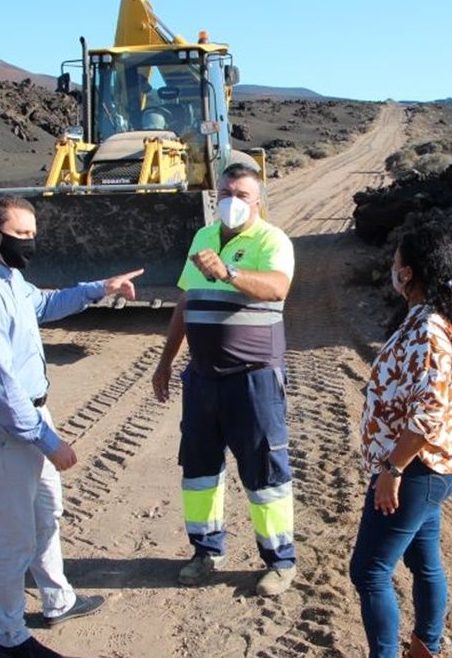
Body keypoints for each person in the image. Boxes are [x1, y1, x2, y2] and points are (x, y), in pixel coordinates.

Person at [0, 194, 144, 658]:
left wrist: (101, 287)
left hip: (27, 416)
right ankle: (10, 638)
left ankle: (58, 599)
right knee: (13, 538)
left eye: (34, 234)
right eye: (22, 234)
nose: (30, 243)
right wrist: (48, 440)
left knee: (47, 512)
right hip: (5, 426)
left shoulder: (7, 276)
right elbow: (0, 385)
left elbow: (45, 304)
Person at [152, 163, 298, 597]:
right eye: (225, 192)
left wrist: (229, 273)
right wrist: (165, 363)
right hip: (202, 378)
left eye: (241, 194)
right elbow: (185, 300)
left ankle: (279, 560)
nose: (231, 201)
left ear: (258, 202)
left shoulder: (273, 241)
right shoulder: (203, 237)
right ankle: (205, 552)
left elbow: (277, 288)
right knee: (198, 471)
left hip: (252, 379)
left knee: (265, 472)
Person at [349, 226, 452, 658]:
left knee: (369, 570)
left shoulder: (428, 331)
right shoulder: (424, 320)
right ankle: (428, 647)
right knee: (423, 563)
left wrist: (392, 471)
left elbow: (426, 415)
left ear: (406, 273)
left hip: (414, 469)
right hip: (424, 468)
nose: (390, 269)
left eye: (394, 263)